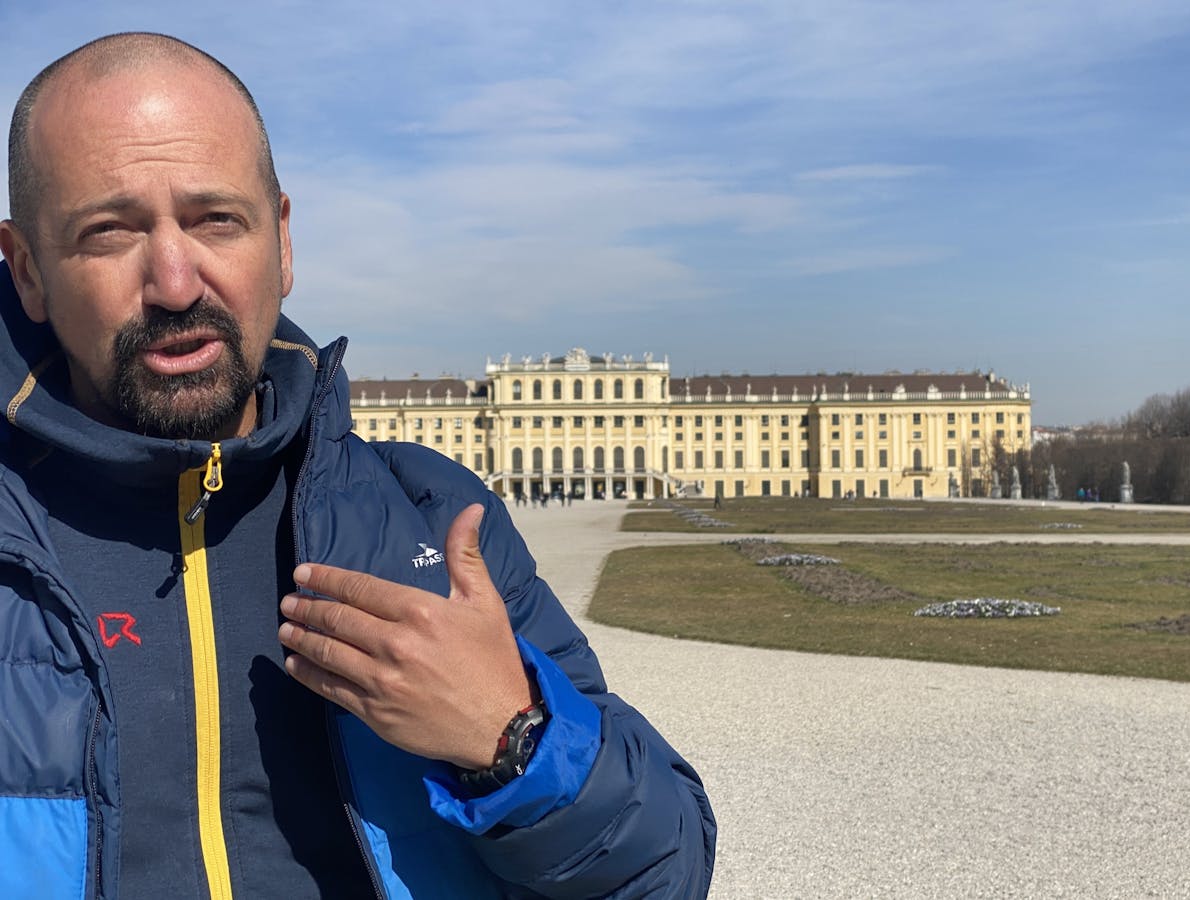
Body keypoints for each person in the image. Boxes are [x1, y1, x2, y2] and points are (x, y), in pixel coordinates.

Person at [0, 33, 715, 899]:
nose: (177, 281)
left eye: (216, 219)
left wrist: (513, 740)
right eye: (110, 231)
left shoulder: (433, 520)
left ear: (284, 240)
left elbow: (664, 873)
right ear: (28, 269)